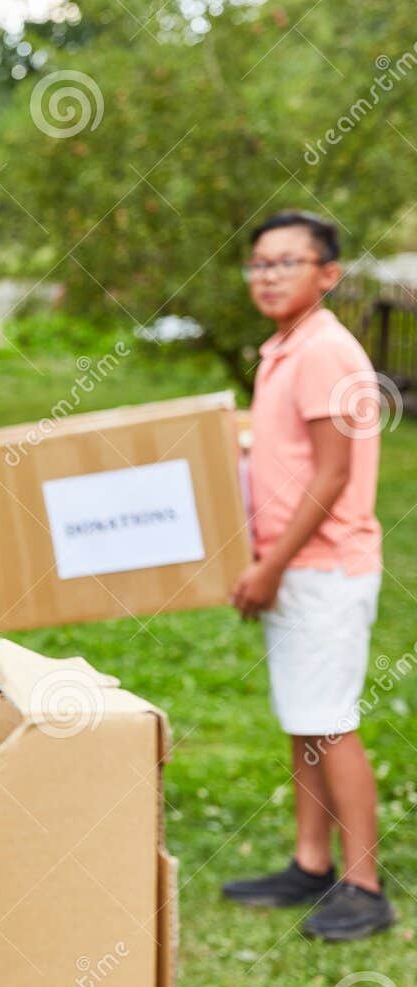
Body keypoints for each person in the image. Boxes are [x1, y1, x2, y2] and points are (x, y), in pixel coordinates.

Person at [221, 209, 394, 941]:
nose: (268, 276)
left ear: (328, 274)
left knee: (330, 721)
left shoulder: (325, 349)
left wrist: (271, 565)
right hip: (294, 566)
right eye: (259, 263)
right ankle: (310, 860)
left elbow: (332, 472)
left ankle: (364, 884)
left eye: (286, 263)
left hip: (322, 568)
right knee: (305, 719)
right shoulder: (284, 349)